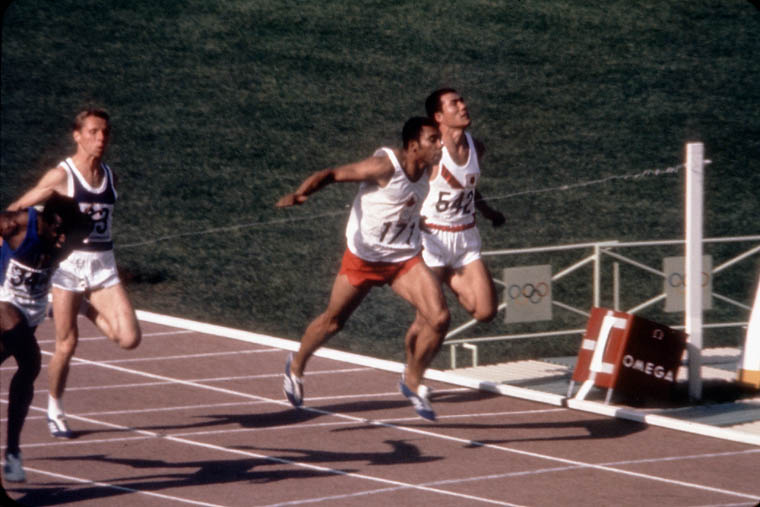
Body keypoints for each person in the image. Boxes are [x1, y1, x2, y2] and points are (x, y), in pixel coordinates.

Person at [276, 117, 450, 421]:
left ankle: (412, 380)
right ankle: (296, 367)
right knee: (333, 322)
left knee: (439, 318)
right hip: (364, 260)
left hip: (403, 260)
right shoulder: (384, 166)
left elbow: (404, 204)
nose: (440, 144)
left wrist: (416, 223)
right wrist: (302, 194)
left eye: (439, 139)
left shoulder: (427, 170)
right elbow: (332, 174)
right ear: (413, 146)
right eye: (433, 140)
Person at [7, 108, 142, 439]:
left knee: (129, 338)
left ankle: (83, 305)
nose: (101, 139)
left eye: (105, 133)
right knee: (67, 342)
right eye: (94, 132)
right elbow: (18, 209)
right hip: (68, 267)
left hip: (103, 265)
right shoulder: (61, 176)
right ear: (77, 135)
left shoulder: (110, 176)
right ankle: (55, 408)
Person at [404, 89, 505, 361]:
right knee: (427, 319)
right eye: (455, 103)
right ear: (438, 116)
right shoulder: (431, 154)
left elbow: (467, 188)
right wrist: (409, 219)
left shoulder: (476, 147)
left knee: (485, 311)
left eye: (462, 101)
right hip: (432, 241)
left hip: (466, 240)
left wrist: (488, 212)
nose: (464, 106)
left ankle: (448, 275)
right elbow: (405, 187)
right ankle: (412, 374)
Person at [0, 193, 91, 482]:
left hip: (31, 312)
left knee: (27, 369)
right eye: (56, 232)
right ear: (43, 220)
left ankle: (12, 450)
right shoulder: (17, 224)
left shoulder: (72, 233)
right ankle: (13, 453)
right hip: (3, 302)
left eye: (67, 234)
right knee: (32, 359)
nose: (62, 241)